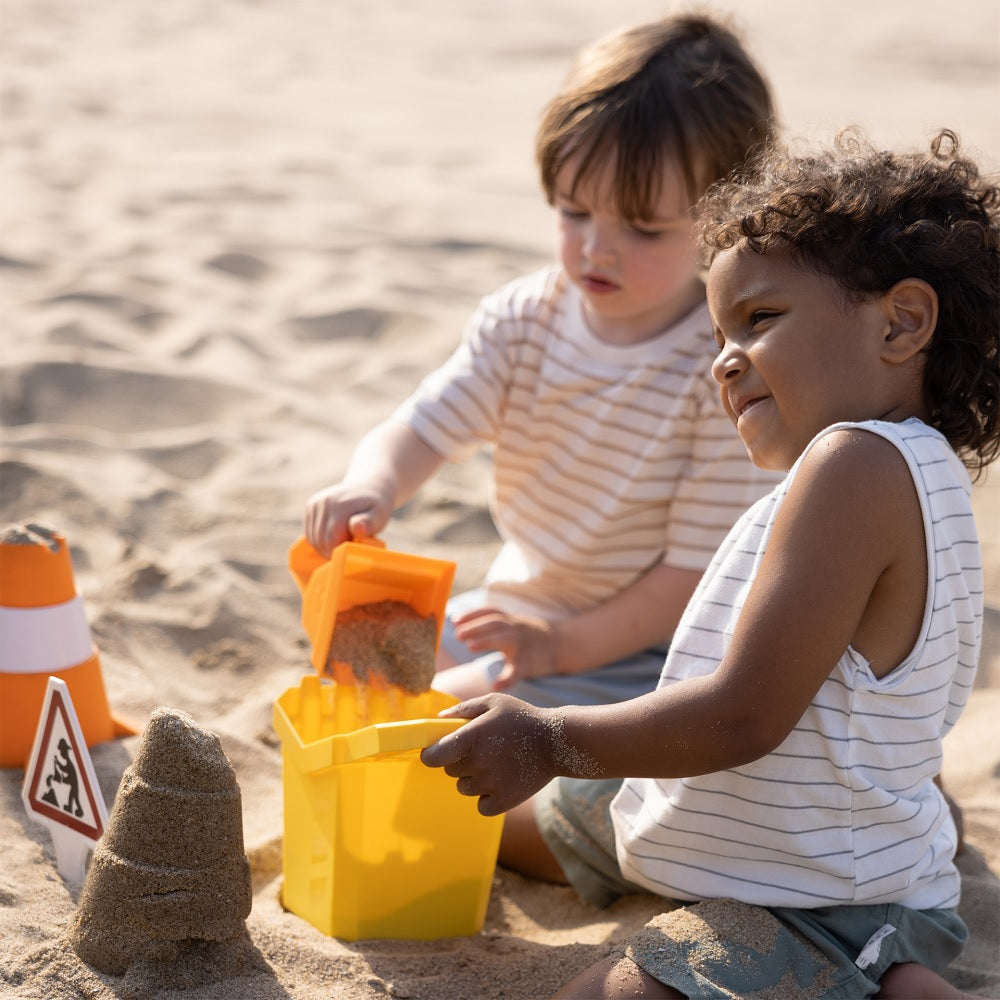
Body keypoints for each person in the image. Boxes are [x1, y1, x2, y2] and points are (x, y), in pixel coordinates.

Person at [421, 129, 1000, 999]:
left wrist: (548, 736)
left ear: (902, 321)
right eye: (718, 333)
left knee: (606, 993)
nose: (724, 360)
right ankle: (895, 966)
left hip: (809, 894)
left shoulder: (855, 469)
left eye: (760, 320)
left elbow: (742, 718)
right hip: (760, 825)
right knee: (490, 811)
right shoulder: (908, 471)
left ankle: (884, 968)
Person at [304, 13, 780, 706]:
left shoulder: (721, 372)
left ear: (728, 224)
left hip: (643, 650)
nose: (596, 249)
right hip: (517, 606)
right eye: (573, 212)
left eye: (643, 227)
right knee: (352, 671)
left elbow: (687, 580)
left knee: (447, 721)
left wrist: (559, 647)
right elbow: (424, 427)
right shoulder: (523, 322)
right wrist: (372, 484)